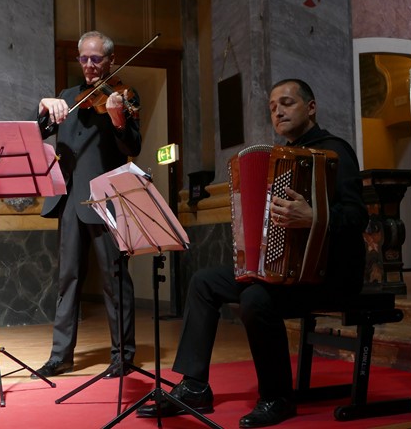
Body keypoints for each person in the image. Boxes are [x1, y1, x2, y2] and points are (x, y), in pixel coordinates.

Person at [136, 78, 368, 427]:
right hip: (282, 271)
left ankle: (277, 397)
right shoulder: (277, 160)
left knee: (256, 299)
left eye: (287, 103)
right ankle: (195, 386)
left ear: (311, 107)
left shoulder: (335, 151)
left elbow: (358, 216)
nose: (278, 111)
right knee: (203, 282)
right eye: (272, 107)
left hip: (329, 274)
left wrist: (315, 217)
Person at [31, 31, 142, 379]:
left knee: (114, 278)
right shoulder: (67, 97)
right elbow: (38, 132)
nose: (90, 66)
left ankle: (122, 356)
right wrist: (44, 106)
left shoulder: (123, 96)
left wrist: (118, 120)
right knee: (68, 279)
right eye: (84, 59)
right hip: (67, 201)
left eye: (97, 59)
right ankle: (60, 356)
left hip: (105, 200)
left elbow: (132, 147)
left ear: (110, 60)